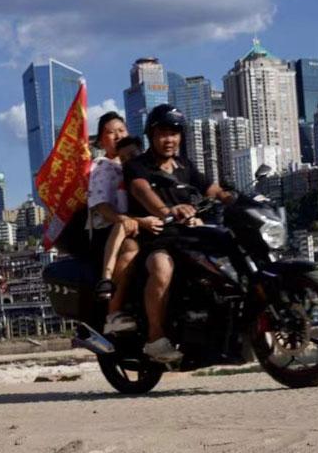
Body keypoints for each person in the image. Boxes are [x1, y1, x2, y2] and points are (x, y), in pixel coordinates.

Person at [123, 103, 234, 364]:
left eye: (174, 133)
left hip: (191, 238)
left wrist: (232, 197)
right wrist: (167, 210)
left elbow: (212, 189)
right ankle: (154, 338)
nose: (169, 139)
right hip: (157, 238)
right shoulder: (138, 166)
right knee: (162, 267)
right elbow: (142, 192)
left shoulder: (185, 165)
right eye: (163, 133)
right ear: (151, 135)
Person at [85, 114, 141, 334]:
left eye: (122, 130)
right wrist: (123, 220)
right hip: (109, 230)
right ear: (100, 141)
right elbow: (100, 206)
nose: (118, 135)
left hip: (136, 224)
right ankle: (114, 311)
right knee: (130, 250)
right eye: (111, 132)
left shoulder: (134, 164)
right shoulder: (102, 167)